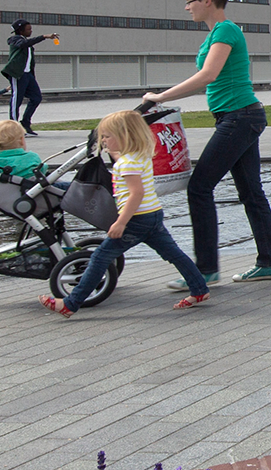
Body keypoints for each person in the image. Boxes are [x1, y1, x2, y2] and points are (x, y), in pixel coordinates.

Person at [142, 0, 271, 285]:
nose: (187, 7)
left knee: (199, 188)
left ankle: (205, 270)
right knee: (251, 193)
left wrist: (160, 96)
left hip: (240, 117)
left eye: (190, 0)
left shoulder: (225, 30)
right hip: (237, 118)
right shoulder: (216, 34)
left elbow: (209, 74)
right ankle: (270, 262)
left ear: (208, 1)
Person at [41, 109, 209, 316]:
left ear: (125, 137)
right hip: (153, 214)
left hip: (136, 220)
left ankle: (70, 303)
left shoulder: (126, 163)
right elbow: (126, 166)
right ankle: (199, 289)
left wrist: (121, 222)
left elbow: (136, 194)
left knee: (100, 257)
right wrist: (111, 151)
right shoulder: (138, 155)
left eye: (107, 136)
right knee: (173, 254)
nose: (103, 141)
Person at [3, 20, 57, 135]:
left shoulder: (26, 41)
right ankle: (13, 127)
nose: (31, 31)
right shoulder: (15, 39)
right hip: (18, 74)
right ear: (20, 30)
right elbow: (22, 44)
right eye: (28, 29)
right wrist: (44, 36)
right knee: (16, 100)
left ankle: (25, 123)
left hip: (28, 75)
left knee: (36, 97)